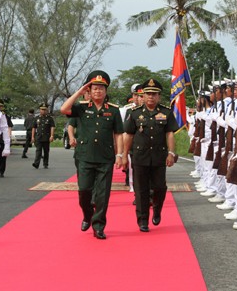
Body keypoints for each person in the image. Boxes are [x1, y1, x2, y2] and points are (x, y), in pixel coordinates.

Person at [60, 70, 124, 240]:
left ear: (106, 91)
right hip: (85, 156)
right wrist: (79, 93)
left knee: (103, 195)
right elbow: (63, 109)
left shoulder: (114, 110)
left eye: (101, 89)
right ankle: (87, 215)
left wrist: (120, 155)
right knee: (84, 192)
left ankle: (99, 226)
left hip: (105, 158)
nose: (98, 91)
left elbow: (118, 134)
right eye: (94, 88)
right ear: (90, 90)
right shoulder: (81, 108)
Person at [123, 78, 179, 232]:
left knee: (160, 188)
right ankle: (142, 220)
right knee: (141, 190)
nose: (151, 97)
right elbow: (128, 135)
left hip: (159, 156)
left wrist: (171, 153)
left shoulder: (166, 112)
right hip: (140, 157)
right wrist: (123, 155)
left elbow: (170, 134)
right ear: (143, 95)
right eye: (148, 94)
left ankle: (157, 210)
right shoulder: (134, 113)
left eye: (154, 94)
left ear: (159, 96)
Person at [31, 103, 55, 169]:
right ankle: (36, 163)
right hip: (38, 137)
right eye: (42, 109)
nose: (43, 111)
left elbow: (52, 127)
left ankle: (45, 163)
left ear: (47, 110)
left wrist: (52, 136)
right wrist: (32, 137)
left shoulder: (50, 118)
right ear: (40, 110)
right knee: (38, 150)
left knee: (46, 151)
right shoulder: (36, 118)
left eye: (45, 110)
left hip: (46, 137)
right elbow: (34, 128)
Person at [0, 100, 13, 178]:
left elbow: (9, 127)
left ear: (2, 107)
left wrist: (8, 138)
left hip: (3, 139)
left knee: (2, 156)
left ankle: (1, 171)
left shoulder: (5, 116)